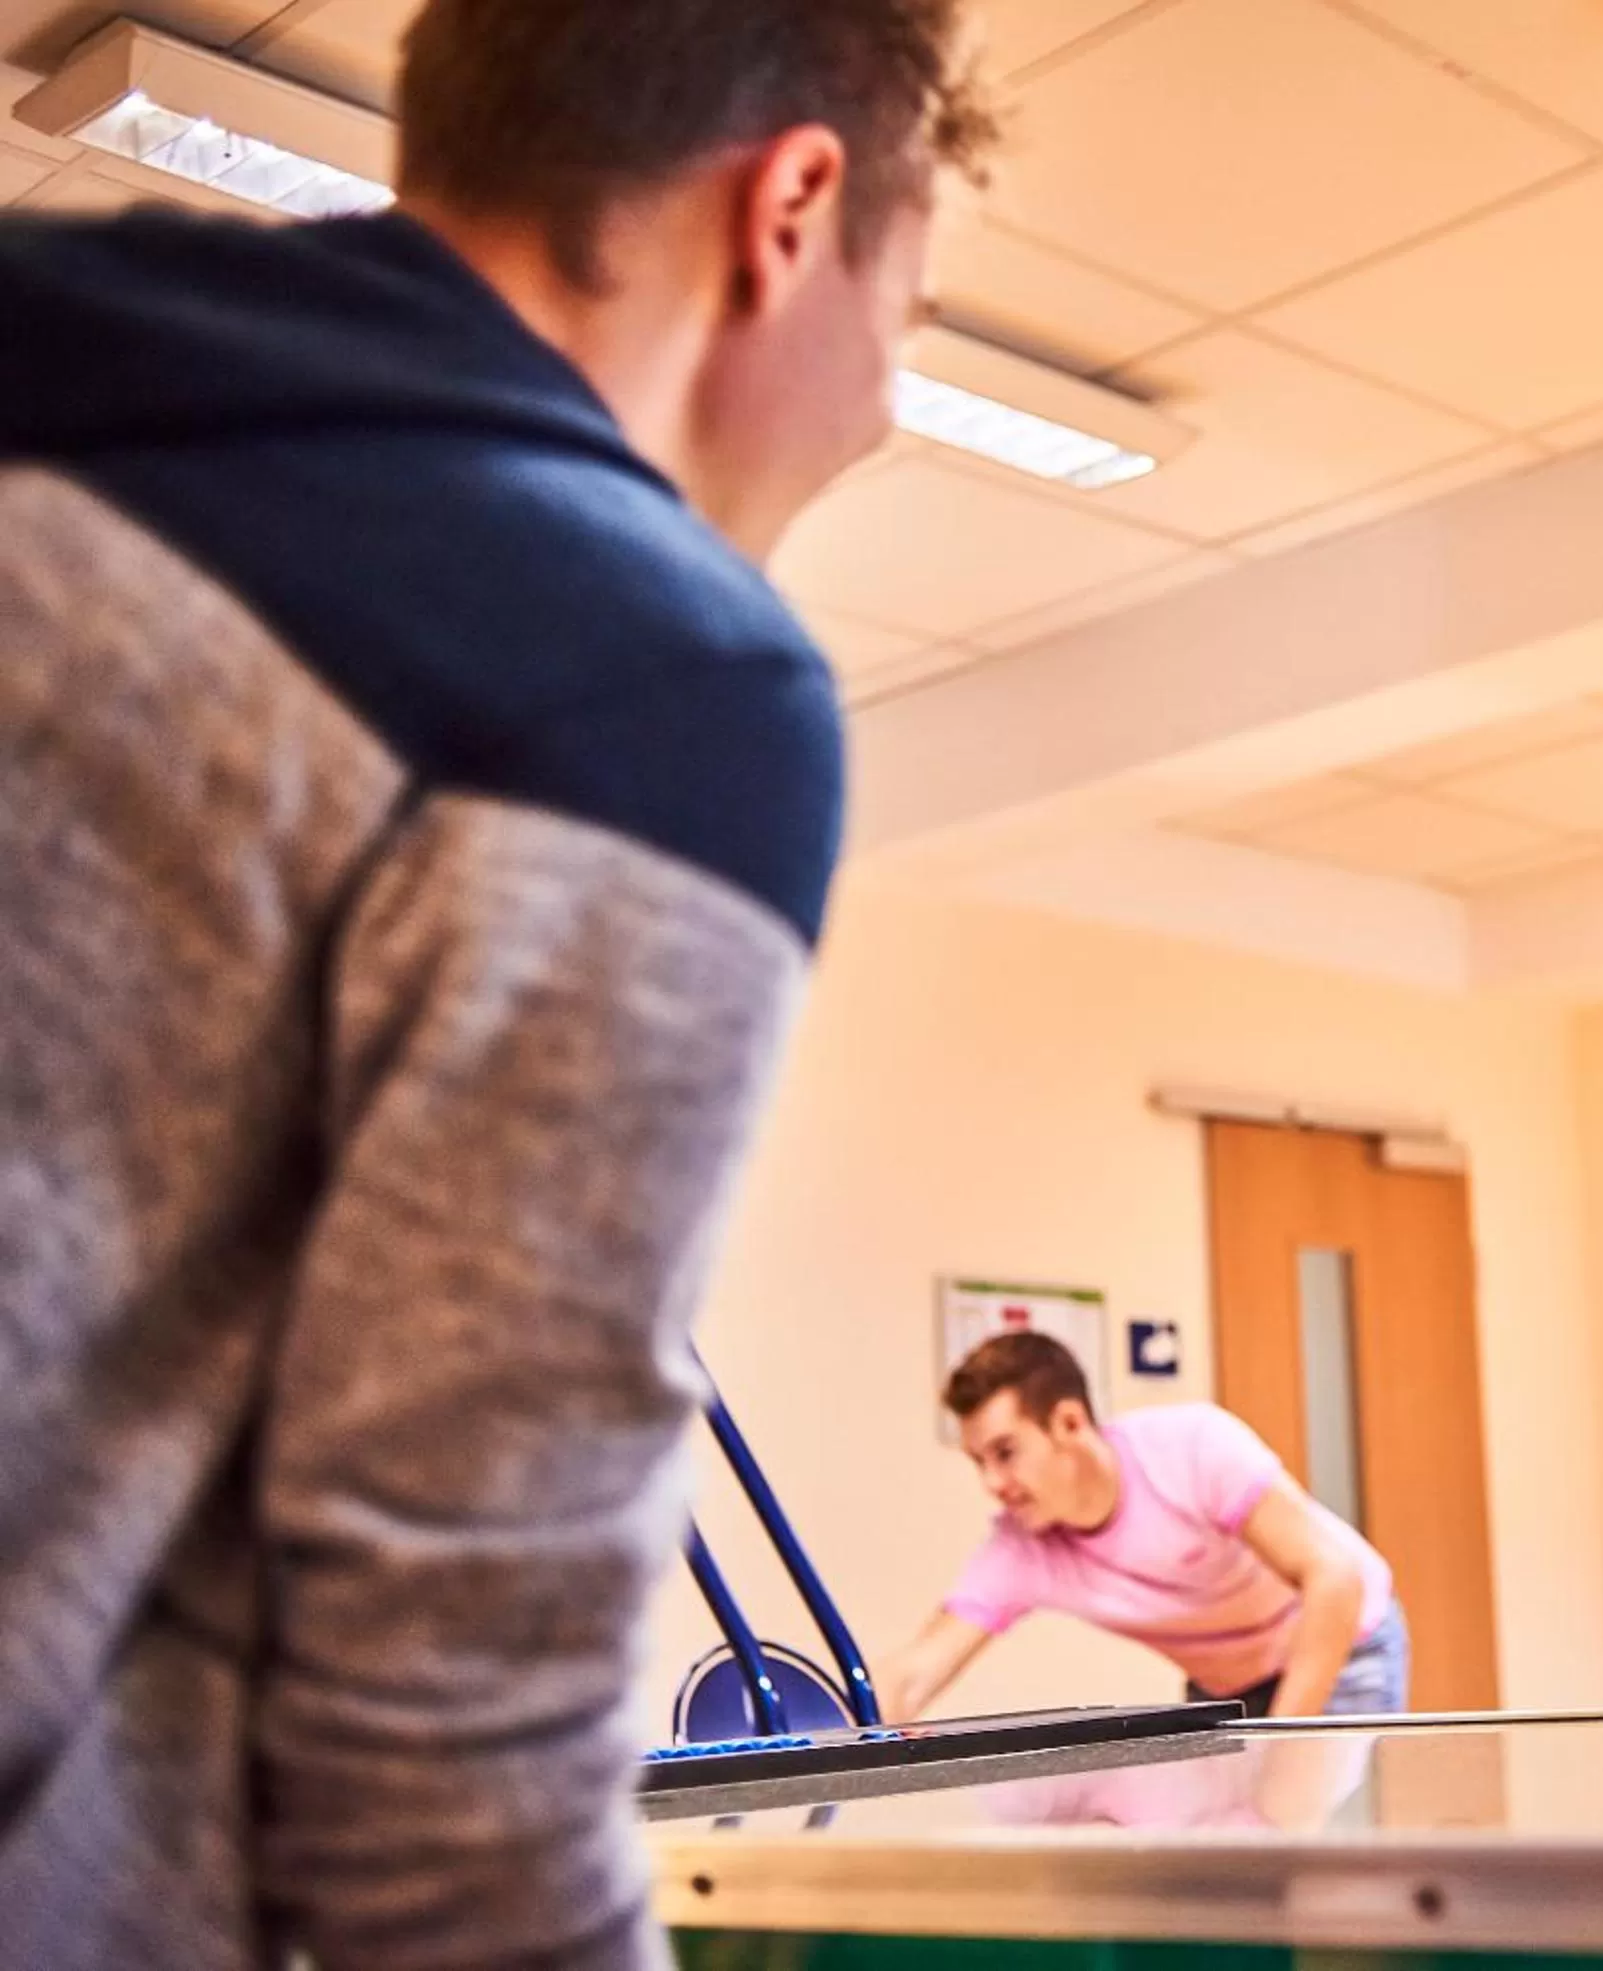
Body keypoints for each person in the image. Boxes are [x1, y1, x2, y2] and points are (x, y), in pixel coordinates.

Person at [0, 3, 992, 1965]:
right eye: (905, 321)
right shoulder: (641, 670)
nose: (878, 405)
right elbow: (449, 1743)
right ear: (790, 209)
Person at [885, 1334, 1409, 1721]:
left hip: (1341, 1644)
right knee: (1228, 1854)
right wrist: (831, 1729)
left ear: (1069, 1423)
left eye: (1006, 1453)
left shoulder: (1193, 1448)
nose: (993, 1483)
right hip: (1225, 1687)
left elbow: (1335, 1578)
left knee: (1301, 1832)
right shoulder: (1023, 1546)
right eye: (980, 1462)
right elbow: (913, 1674)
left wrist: (1281, 1750)